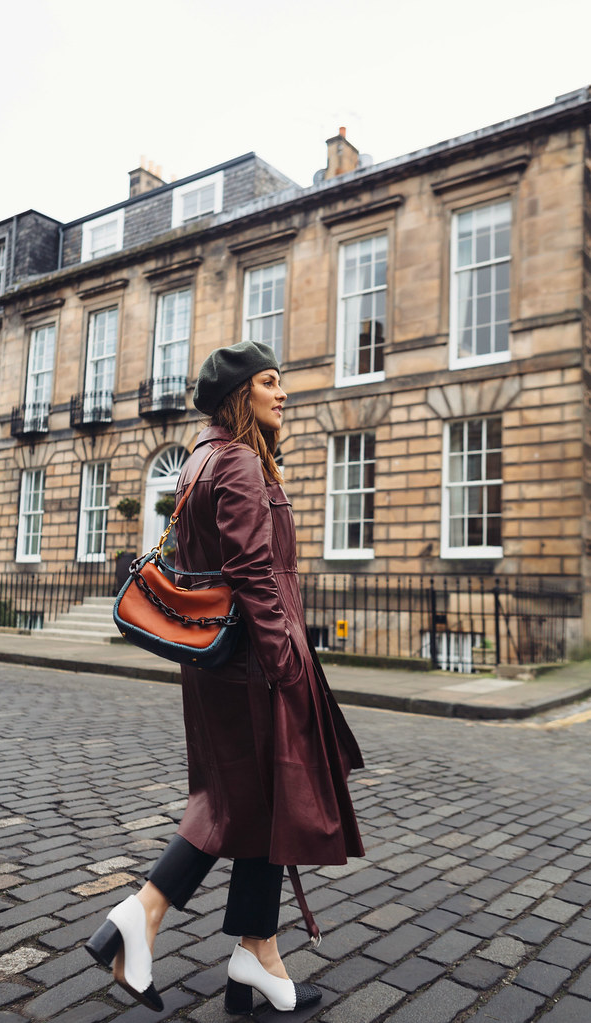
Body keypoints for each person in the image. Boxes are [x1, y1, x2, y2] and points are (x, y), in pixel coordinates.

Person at [85, 340, 364, 1014]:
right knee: (237, 802)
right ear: (242, 393)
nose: (283, 392)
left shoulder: (202, 457)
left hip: (225, 664)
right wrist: (286, 662)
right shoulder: (237, 461)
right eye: (270, 381)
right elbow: (253, 573)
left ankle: (255, 958)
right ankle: (141, 915)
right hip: (255, 663)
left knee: (259, 804)